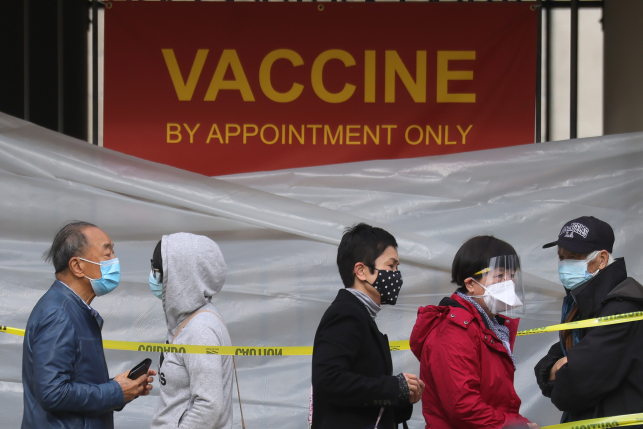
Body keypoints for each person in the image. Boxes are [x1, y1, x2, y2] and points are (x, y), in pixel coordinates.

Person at [22, 220, 156, 429]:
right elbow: (52, 393)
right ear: (77, 266)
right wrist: (114, 391)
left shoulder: (75, 310)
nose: (114, 261)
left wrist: (122, 388)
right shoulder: (59, 314)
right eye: (107, 254)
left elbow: (74, 384)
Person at [410, 236, 537, 429]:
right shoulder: (454, 331)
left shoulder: (490, 327)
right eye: (500, 276)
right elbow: (463, 407)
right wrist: (516, 426)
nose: (509, 283)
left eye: (512, 276)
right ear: (470, 284)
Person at [311, 223, 422, 429]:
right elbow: (328, 380)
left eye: (397, 268)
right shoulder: (346, 313)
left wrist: (403, 397)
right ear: (361, 271)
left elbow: (363, 400)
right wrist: (393, 387)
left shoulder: (361, 316)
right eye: (391, 266)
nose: (397, 275)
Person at [534, 216, 643, 425]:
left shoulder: (622, 308)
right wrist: (556, 367)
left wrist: (561, 369)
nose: (564, 264)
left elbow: (574, 386)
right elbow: (549, 362)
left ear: (602, 259)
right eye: (561, 256)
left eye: (573, 256)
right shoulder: (583, 305)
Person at [150, 232, 235, 429]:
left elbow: (209, 405)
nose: (154, 277)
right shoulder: (185, 320)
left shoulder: (200, 330)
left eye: (157, 270)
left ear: (180, 275)